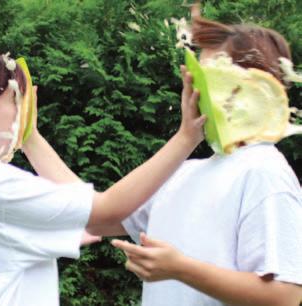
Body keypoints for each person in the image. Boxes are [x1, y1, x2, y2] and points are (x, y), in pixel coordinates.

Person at [0, 54, 204, 306]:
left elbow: (82, 208)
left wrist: (30, 137)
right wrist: (186, 138)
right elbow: (106, 211)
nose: (20, 112)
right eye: (14, 100)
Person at [111, 5, 302, 306]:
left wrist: (181, 269)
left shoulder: (263, 170)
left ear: (250, 90)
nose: (194, 89)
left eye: (209, 77)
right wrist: (30, 136)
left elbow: (285, 296)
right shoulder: (183, 171)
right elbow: (95, 216)